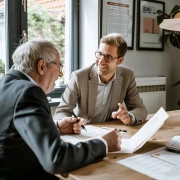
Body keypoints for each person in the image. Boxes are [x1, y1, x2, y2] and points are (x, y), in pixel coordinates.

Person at [0, 38, 121, 180]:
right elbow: (57, 158)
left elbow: (15, 133)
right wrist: (103, 143)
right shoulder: (30, 92)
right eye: (59, 66)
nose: (61, 74)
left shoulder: (5, 84)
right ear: (42, 66)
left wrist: (57, 127)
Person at [54, 33, 147, 125]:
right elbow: (61, 111)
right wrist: (70, 123)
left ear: (120, 60)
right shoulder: (79, 77)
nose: (101, 61)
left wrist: (129, 117)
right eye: (99, 54)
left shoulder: (127, 75)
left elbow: (140, 109)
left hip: (112, 130)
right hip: (85, 131)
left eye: (108, 57)